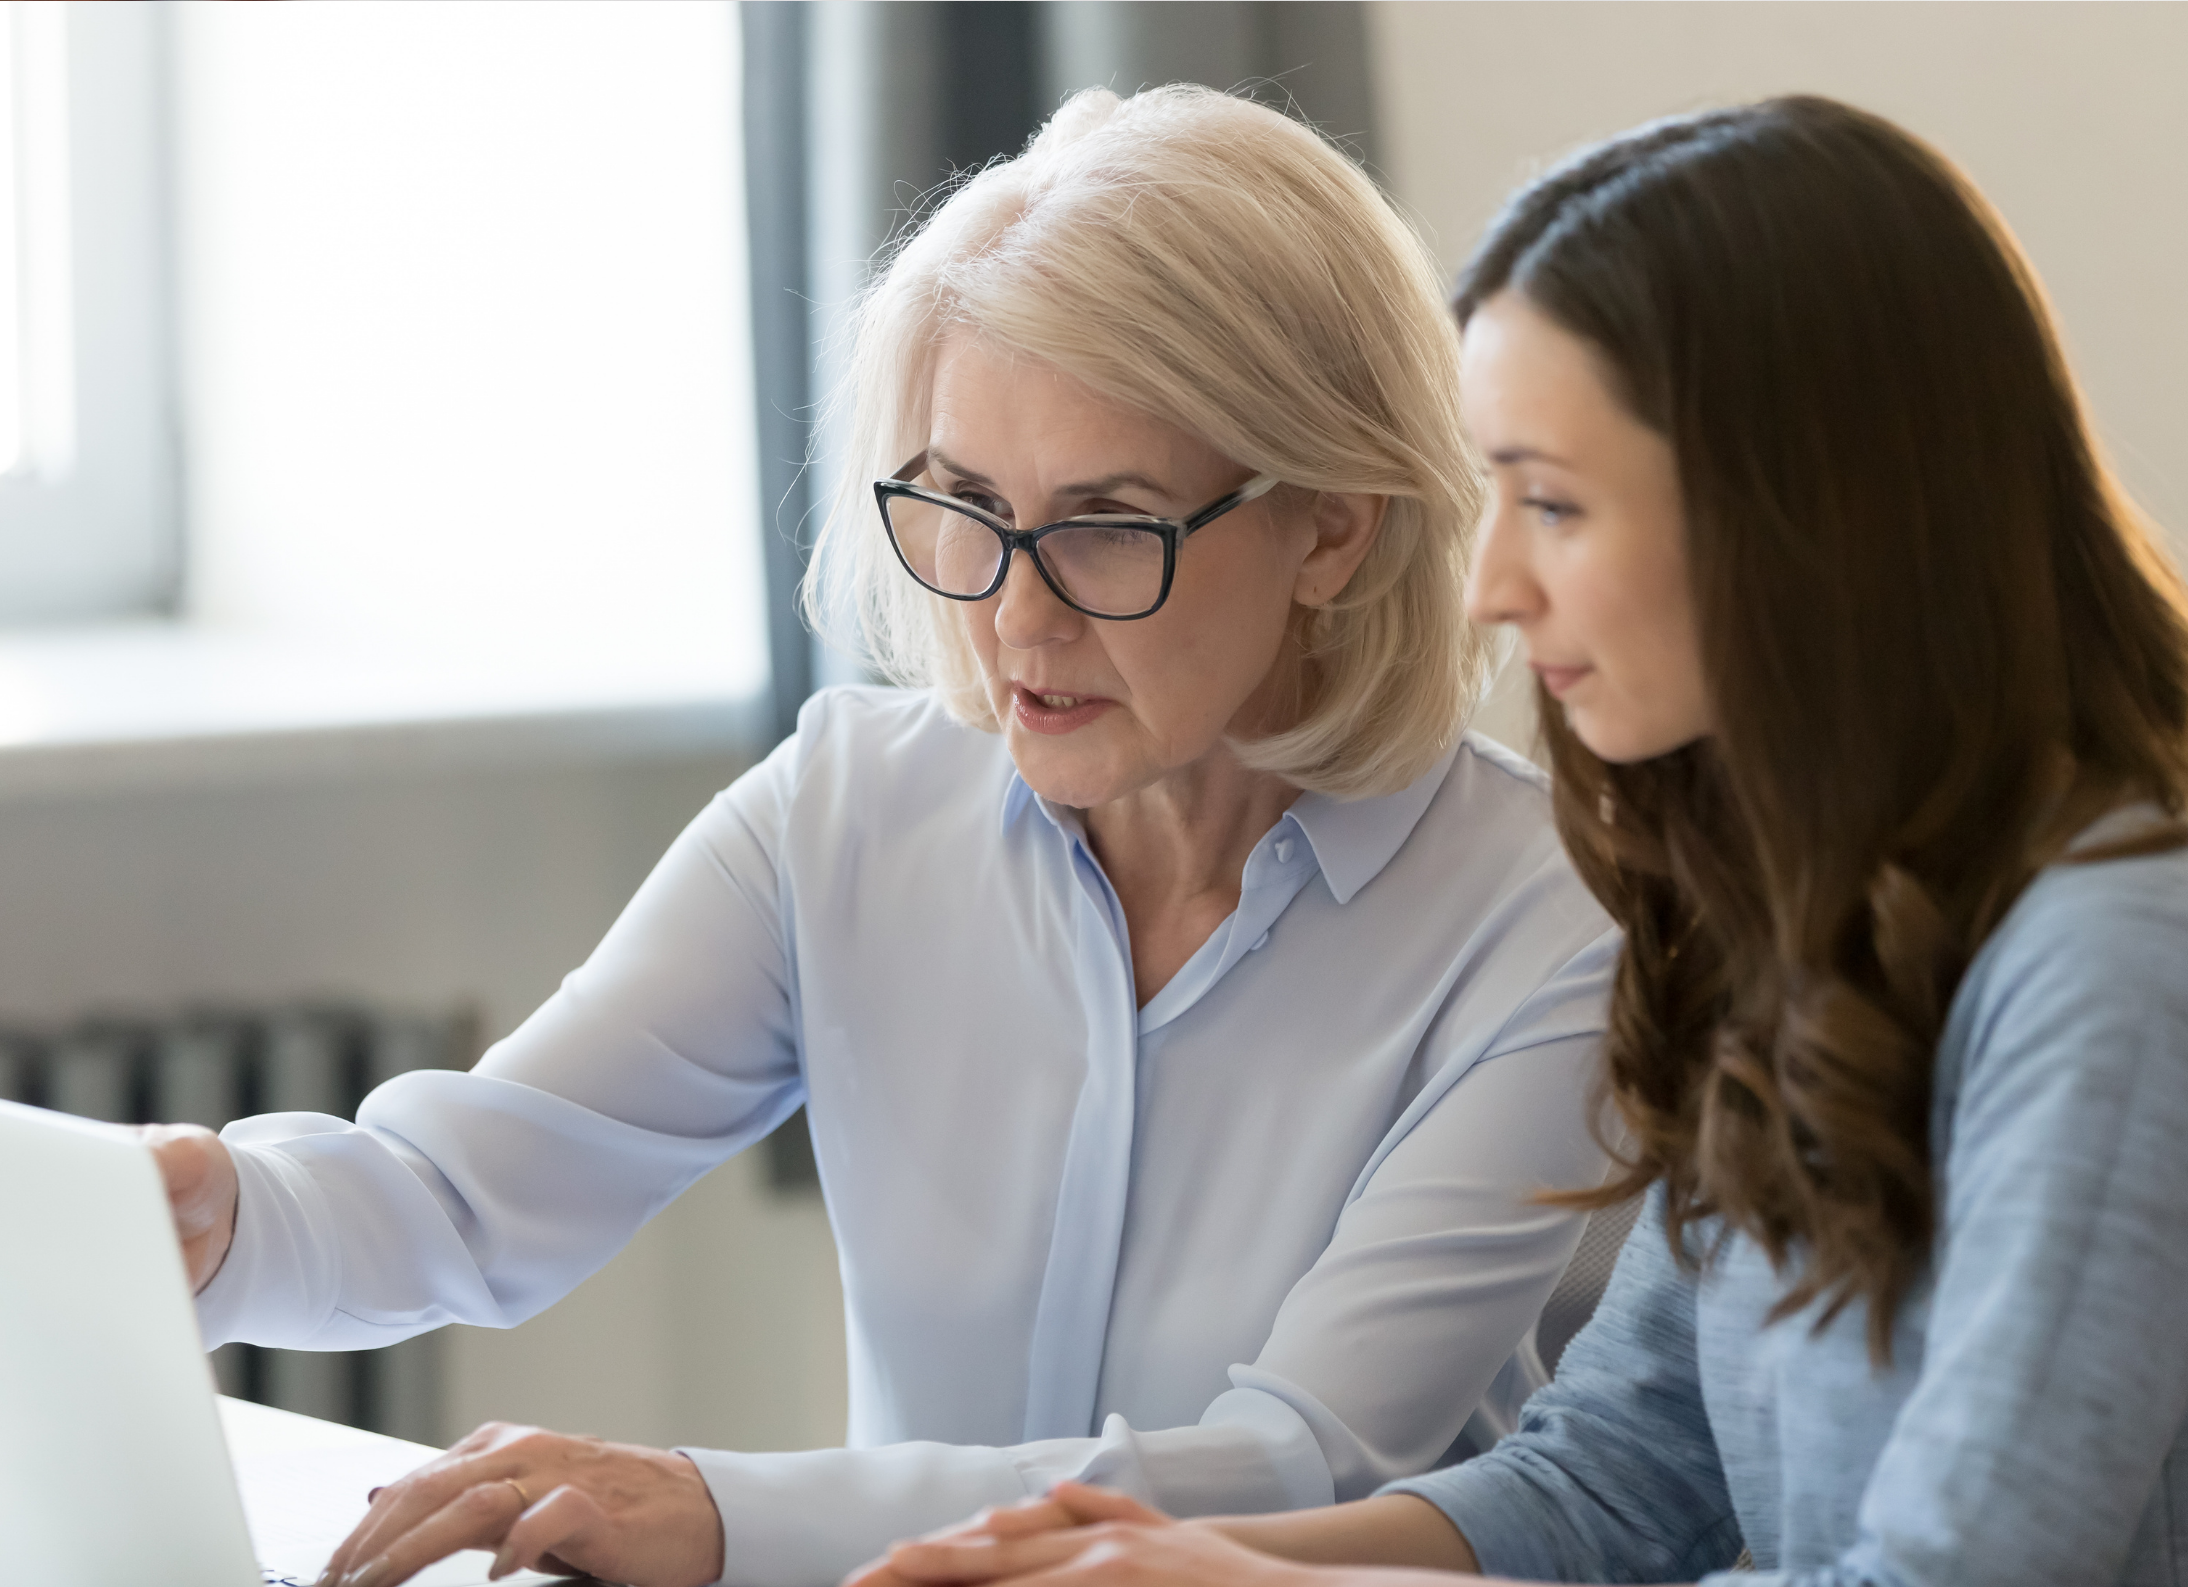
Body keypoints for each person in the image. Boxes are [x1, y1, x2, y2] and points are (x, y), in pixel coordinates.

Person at [144, 85, 1620, 1587]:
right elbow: (469, 1186)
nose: (1012, 616)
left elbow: (1300, 1460)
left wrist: (717, 1511)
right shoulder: (850, 807)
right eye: (966, 505)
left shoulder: (1551, 928)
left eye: (1106, 522)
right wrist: (221, 1212)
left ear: (1333, 525)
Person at [857, 95, 2188, 1587]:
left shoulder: (2115, 955)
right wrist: (1160, 1554)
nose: (1490, 582)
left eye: (1552, 504)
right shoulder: (1802, 919)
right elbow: (1610, 1483)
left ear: (1805, 519)